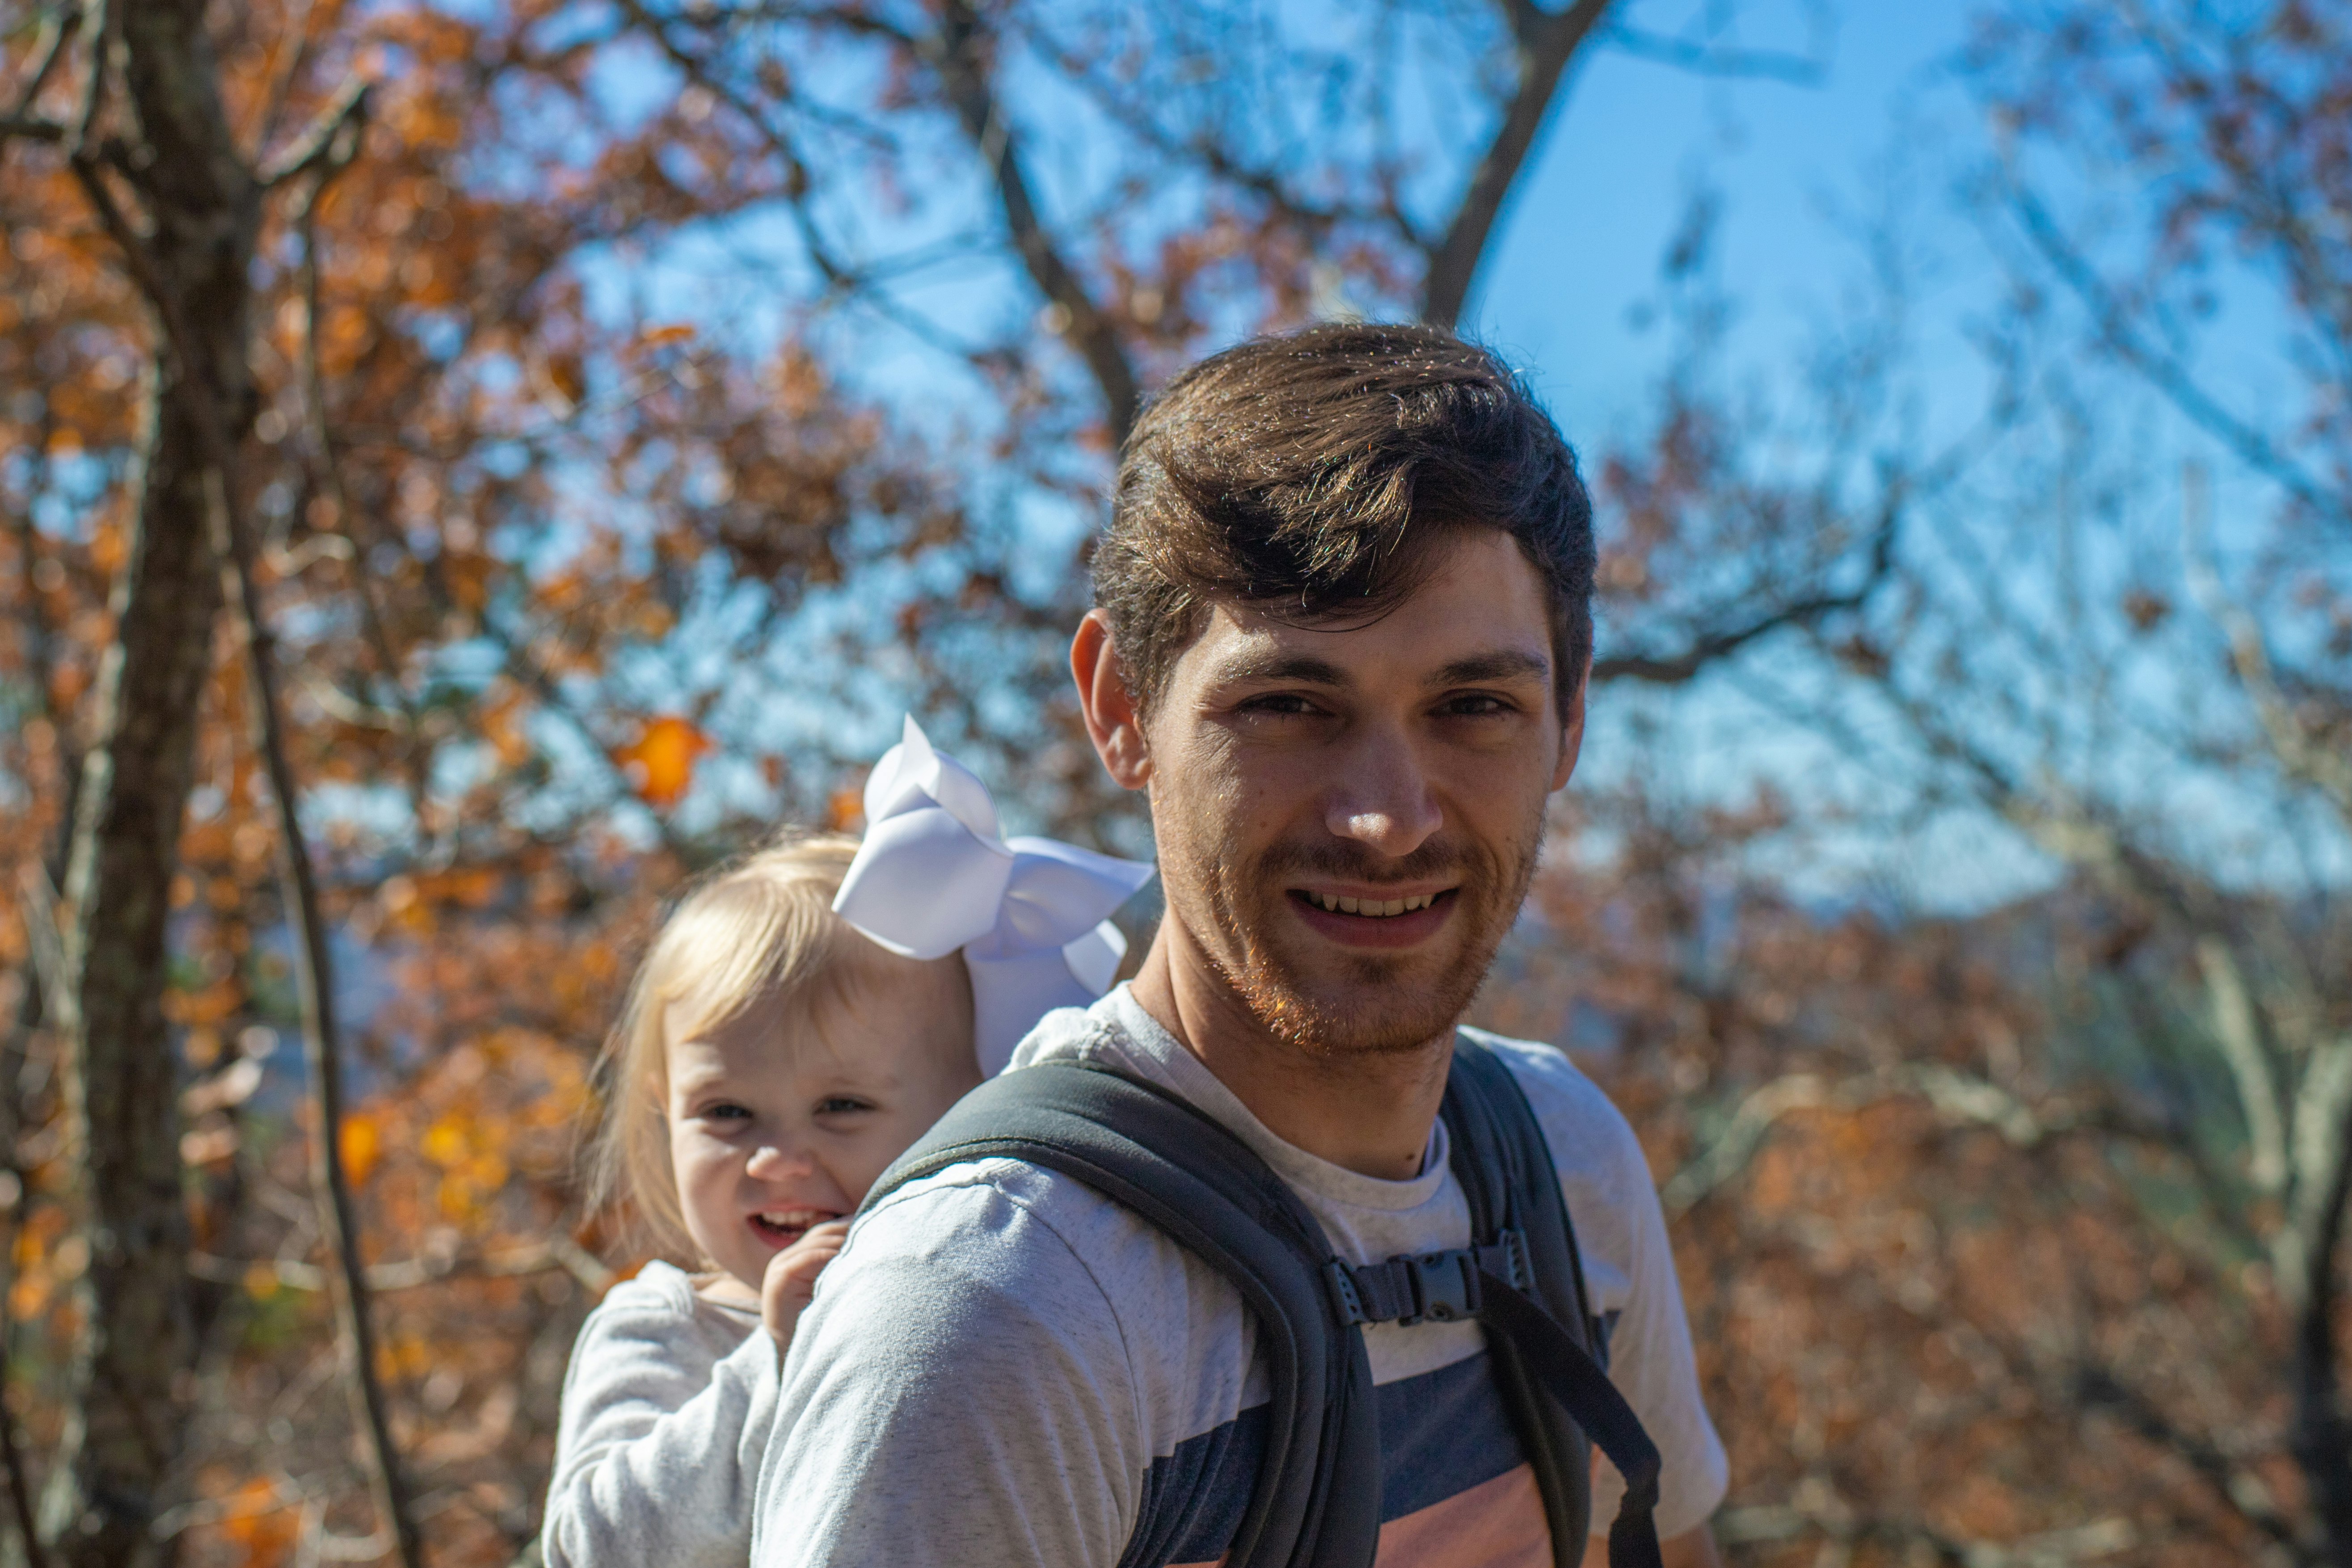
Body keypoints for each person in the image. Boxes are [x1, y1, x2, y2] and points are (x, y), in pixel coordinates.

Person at [750, 324, 1730, 1568]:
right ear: (1119, 706)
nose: (1386, 815)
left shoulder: (1562, 1165)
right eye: (1286, 705)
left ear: (1568, 719)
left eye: (1472, 706)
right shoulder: (991, 1318)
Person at [544, 737, 1151, 1568]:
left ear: (960, 1112)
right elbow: (594, 1548)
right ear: (662, 1108)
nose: (776, 1162)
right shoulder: (665, 1333)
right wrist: (779, 1358)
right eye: (726, 1112)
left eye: (841, 1107)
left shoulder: (979, 1310)